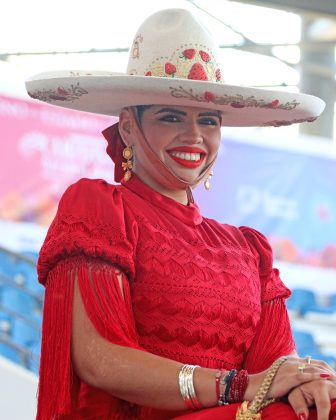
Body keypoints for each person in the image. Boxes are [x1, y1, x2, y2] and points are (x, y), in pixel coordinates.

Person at [26, 8, 336, 420]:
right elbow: (100, 359)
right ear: (128, 128)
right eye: (170, 117)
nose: (194, 136)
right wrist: (237, 386)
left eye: (208, 120)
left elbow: (277, 369)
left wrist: (306, 382)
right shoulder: (100, 209)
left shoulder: (248, 249)